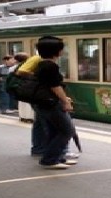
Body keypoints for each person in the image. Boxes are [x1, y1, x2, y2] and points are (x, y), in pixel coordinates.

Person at [33, 36, 76, 169]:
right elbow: (55, 86)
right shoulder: (50, 66)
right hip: (51, 103)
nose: (63, 51)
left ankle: (57, 158)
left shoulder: (41, 64)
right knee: (67, 131)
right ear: (55, 50)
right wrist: (65, 101)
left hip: (45, 102)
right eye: (61, 48)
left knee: (54, 131)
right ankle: (49, 160)